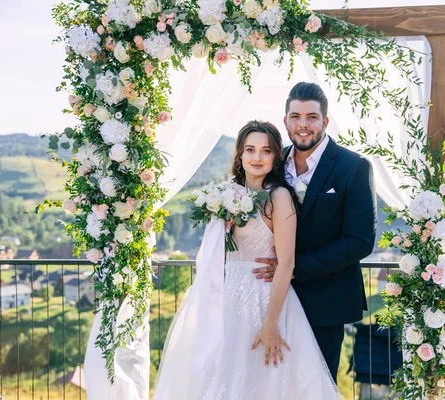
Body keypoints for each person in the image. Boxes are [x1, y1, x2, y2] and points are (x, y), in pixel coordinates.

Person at [154, 120, 340, 399]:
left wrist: (270, 323)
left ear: (276, 156)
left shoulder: (279, 197)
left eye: (265, 151)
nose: (257, 157)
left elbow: (286, 263)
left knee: (265, 381)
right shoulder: (227, 194)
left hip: (265, 300)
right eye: (250, 149)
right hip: (227, 302)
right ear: (240, 155)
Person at [253, 82, 377, 382]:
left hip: (327, 301)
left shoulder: (353, 167)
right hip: (270, 298)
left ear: (325, 121)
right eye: (295, 117)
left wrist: (295, 268)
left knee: (317, 386)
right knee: (271, 385)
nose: (303, 125)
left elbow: (360, 241)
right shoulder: (273, 162)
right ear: (285, 122)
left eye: (311, 117)